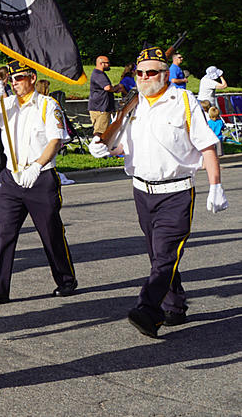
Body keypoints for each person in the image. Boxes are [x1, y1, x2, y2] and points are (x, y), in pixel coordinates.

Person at [88, 46, 227, 337]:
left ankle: (148, 310)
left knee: (164, 255)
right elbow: (126, 147)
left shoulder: (183, 102)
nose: (143, 77)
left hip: (175, 193)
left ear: (165, 75)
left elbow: (206, 145)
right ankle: (175, 307)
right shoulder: (133, 107)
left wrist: (216, 185)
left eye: (151, 72)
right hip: (142, 192)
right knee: (159, 256)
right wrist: (106, 149)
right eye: (139, 72)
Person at [0, 60, 77, 305]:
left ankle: (66, 280)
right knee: (5, 234)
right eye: (11, 79)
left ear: (32, 78)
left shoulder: (46, 105)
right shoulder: (7, 105)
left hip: (39, 177)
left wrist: (38, 165)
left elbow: (55, 141)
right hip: (12, 179)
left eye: (19, 78)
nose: (15, 83)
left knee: (50, 232)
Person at [88, 55, 119, 136]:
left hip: (99, 107)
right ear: (101, 63)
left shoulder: (98, 74)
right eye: (107, 63)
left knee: (100, 130)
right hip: (101, 108)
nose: (109, 65)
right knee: (100, 132)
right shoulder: (98, 74)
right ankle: (97, 147)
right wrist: (116, 88)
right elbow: (107, 88)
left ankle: (99, 146)